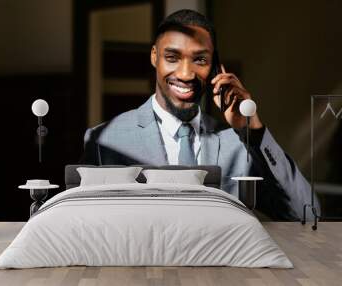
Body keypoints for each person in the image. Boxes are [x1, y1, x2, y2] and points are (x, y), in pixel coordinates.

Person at [82, 9, 319, 221]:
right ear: (154, 56)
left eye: (200, 60)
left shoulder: (239, 143)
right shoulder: (104, 141)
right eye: (172, 57)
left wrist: (253, 130)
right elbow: (85, 222)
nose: (186, 74)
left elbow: (308, 213)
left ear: (215, 66)